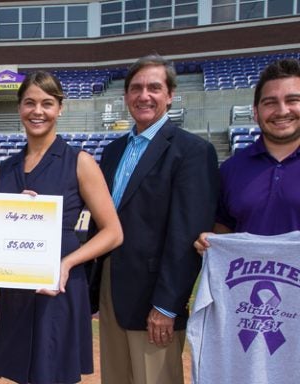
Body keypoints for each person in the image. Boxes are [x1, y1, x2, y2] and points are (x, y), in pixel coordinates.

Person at [91, 54, 219, 384]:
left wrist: (166, 305)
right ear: (125, 96)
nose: (143, 96)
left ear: (170, 95)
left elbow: (186, 234)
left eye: (154, 87)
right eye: (136, 88)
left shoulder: (192, 152)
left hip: (154, 299)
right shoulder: (112, 151)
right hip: (112, 290)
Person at [0, 71, 123, 384]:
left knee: (55, 374)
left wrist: (67, 263)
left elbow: (113, 232)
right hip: (17, 287)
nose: (38, 111)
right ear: (19, 108)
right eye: (30, 103)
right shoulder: (5, 169)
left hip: (60, 286)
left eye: (47, 103)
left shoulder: (80, 162)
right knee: (21, 372)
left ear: (60, 108)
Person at [194, 57, 300, 249]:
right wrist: (211, 242)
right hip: (251, 278)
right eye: (270, 103)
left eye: (293, 100)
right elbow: (224, 230)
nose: (282, 111)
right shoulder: (231, 169)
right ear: (255, 112)